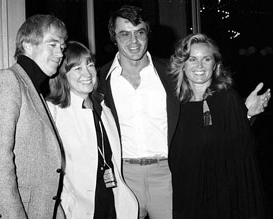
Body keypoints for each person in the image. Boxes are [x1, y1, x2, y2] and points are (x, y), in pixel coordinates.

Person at [98, 5, 271, 219]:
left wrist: (245, 111)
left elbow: (209, 107)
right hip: (124, 176)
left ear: (148, 34)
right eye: (124, 34)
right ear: (114, 37)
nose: (133, 42)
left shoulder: (169, 73)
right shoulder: (99, 80)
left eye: (139, 33)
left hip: (168, 176)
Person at [0, 14, 67, 218]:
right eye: (52, 44)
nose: (60, 52)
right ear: (27, 45)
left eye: (62, 45)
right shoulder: (7, 81)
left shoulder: (33, 90)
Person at [168, 33, 271, 218]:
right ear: (182, 64)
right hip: (185, 198)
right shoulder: (173, 105)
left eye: (206, 59)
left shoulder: (228, 99)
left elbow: (241, 156)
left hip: (221, 201)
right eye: (192, 59)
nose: (199, 66)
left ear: (215, 65)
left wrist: (244, 114)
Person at [45, 41, 138, 219]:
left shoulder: (104, 109)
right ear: (63, 75)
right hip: (75, 209)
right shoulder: (53, 112)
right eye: (77, 68)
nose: (87, 73)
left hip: (111, 203)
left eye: (90, 65)